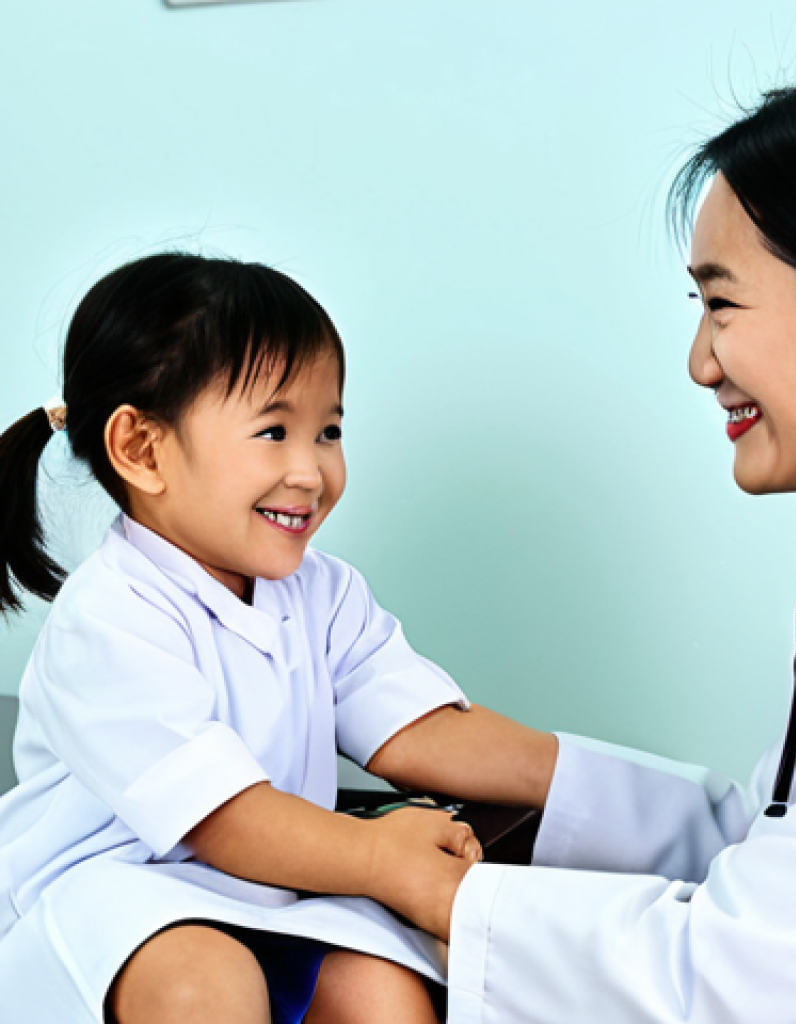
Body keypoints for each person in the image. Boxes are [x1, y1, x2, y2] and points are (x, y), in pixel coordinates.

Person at [397, 61, 796, 1023]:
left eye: (721, 304)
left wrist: (423, 888)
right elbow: (782, 844)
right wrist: (523, 766)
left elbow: (737, 963)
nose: (700, 363)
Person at [0, 253, 557, 1024]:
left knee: (379, 990)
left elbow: (416, 728)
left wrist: (594, 786)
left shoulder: (323, 591)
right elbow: (220, 817)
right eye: (274, 431)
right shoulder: (108, 617)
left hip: (274, 893)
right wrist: (382, 856)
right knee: (204, 979)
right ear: (143, 450)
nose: (310, 471)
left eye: (328, 431)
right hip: (112, 900)